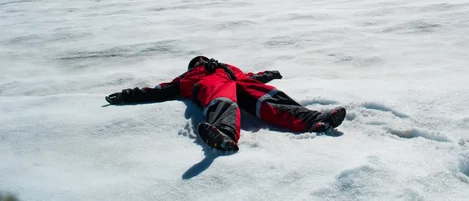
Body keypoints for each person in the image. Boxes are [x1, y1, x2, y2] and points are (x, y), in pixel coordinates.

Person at [105, 56, 346, 152]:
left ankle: (314, 120)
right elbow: (157, 91)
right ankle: (223, 133)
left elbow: (249, 78)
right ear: (193, 66)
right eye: (197, 61)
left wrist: (267, 74)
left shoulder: (229, 68)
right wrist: (127, 95)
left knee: (261, 94)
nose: (202, 60)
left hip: (236, 83)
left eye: (203, 58)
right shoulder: (189, 78)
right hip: (212, 88)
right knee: (221, 92)